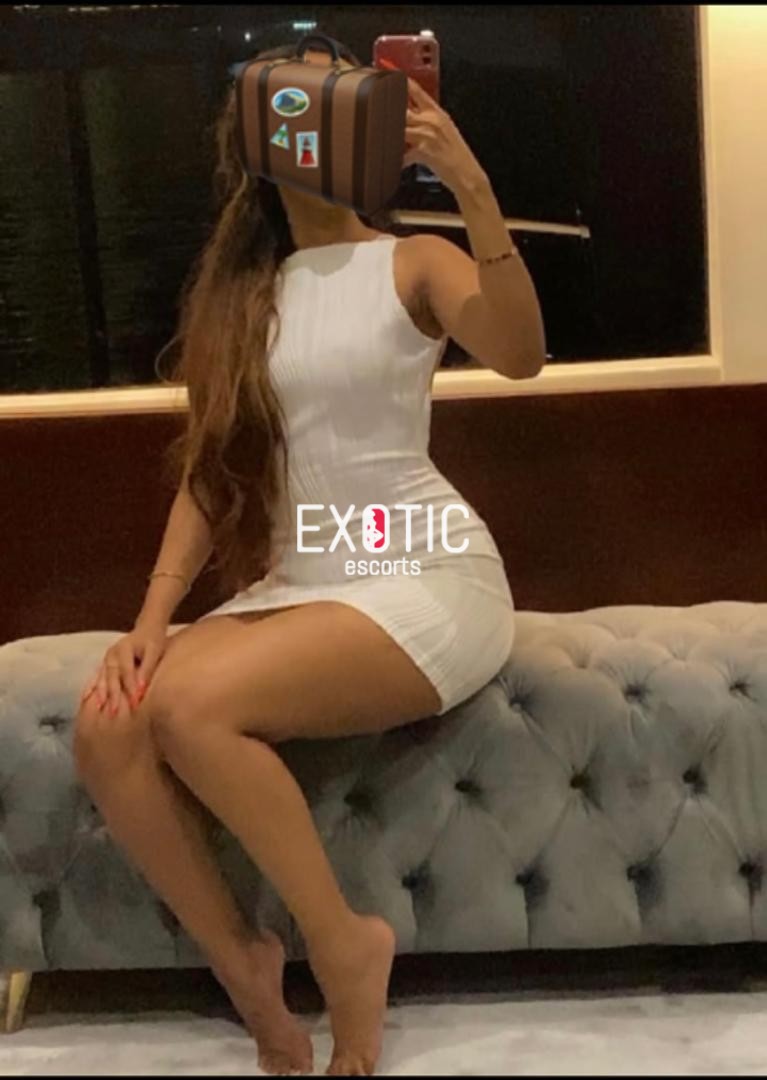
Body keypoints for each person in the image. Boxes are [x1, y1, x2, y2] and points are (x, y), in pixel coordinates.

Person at [73, 37, 545, 1078]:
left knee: (190, 707)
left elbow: (519, 355)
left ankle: (341, 946)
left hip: (419, 558)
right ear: (257, 136)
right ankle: (247, 967)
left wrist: (468, 185)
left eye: (329, 91)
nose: (307, 115)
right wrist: (149, 622)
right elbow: (211, 473)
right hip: (309, 573)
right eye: (287, 97)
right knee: (110, 725)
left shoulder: (410, 261)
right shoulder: (245, 294)